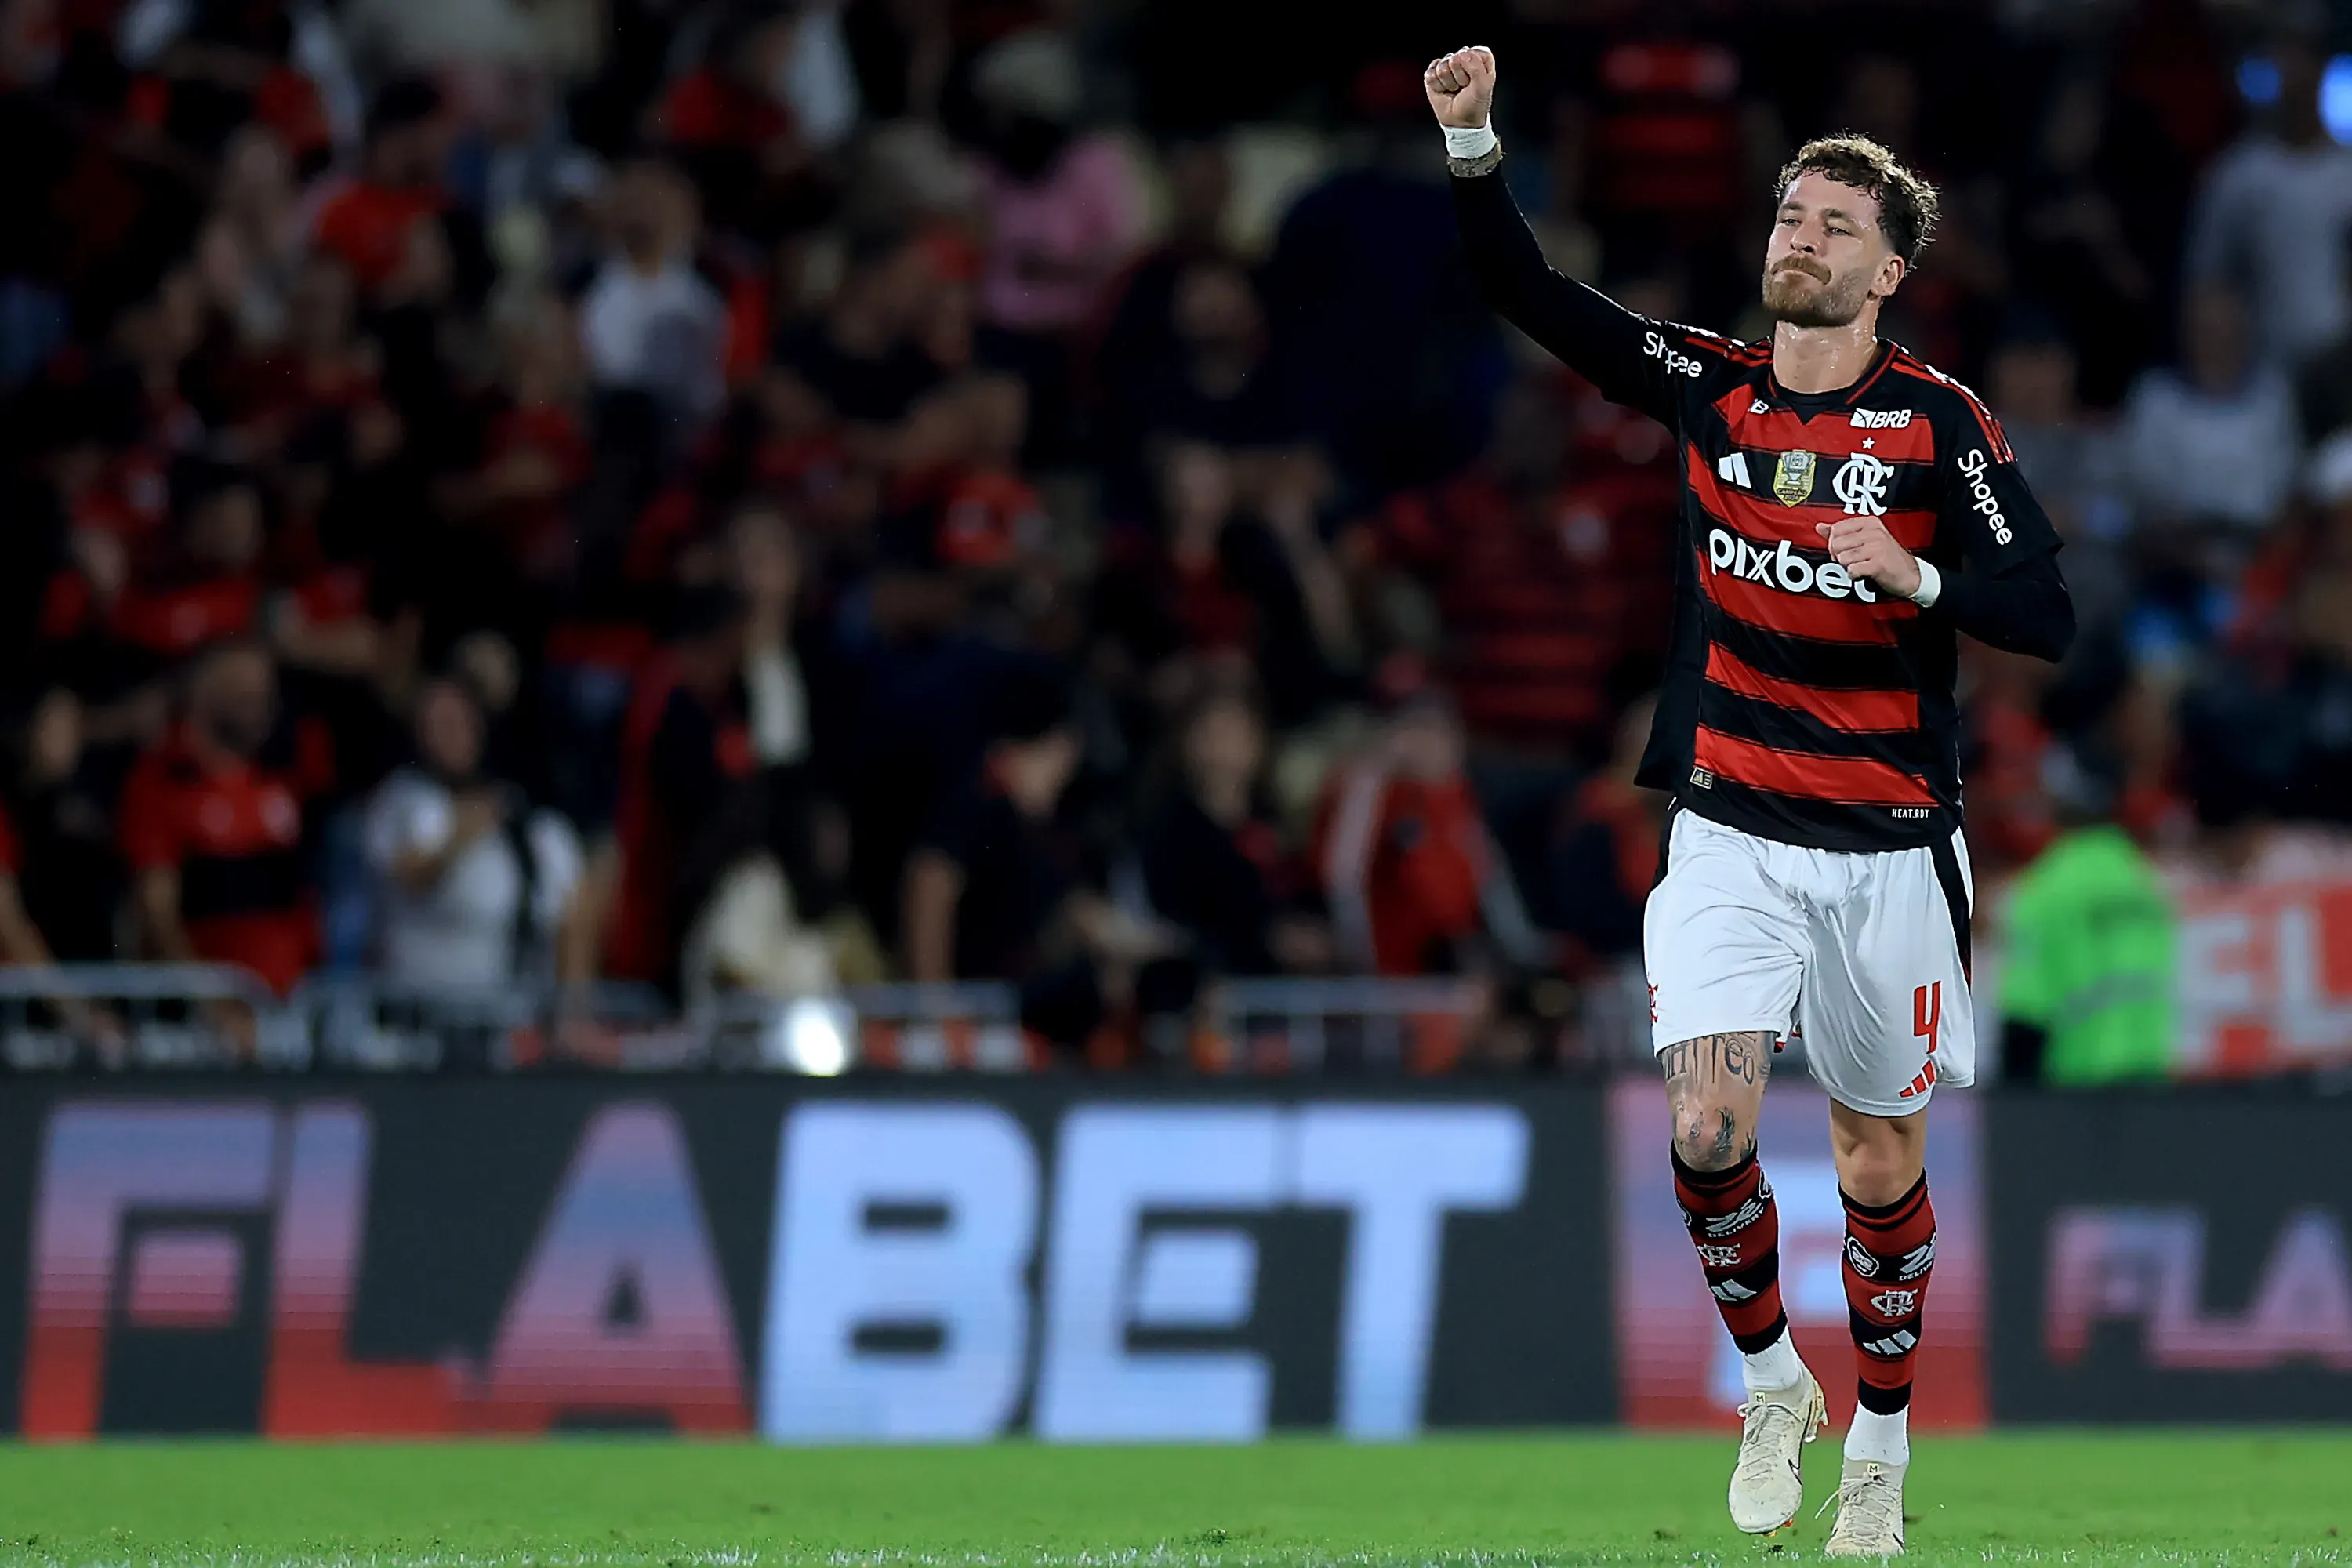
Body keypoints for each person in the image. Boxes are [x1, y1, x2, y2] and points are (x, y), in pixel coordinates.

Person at [1426, 46, 2074, 1553]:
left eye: (1839, 226)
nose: (1804, 238)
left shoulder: (1940, 427)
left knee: (1875, 1166)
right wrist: (1474, 148)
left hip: (1894, 849)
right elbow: (1534, 298)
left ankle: (1885, 1449)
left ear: (1892, 271)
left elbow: (2045, 610)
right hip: (1730, 828)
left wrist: (1914, 575)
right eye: (1793, 215)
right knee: (1711, 1122)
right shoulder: (1708, 390)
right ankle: (1773, 1380)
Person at [362, 676, 589, 992]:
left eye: (457, 722)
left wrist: (573, 1008)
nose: (447, 736)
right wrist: (463, 833)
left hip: (508, 1010)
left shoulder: (533, 824)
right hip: (415, 1007)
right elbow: (413, 877)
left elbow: (572, 921)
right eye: (434, 725)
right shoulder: (403, 800)